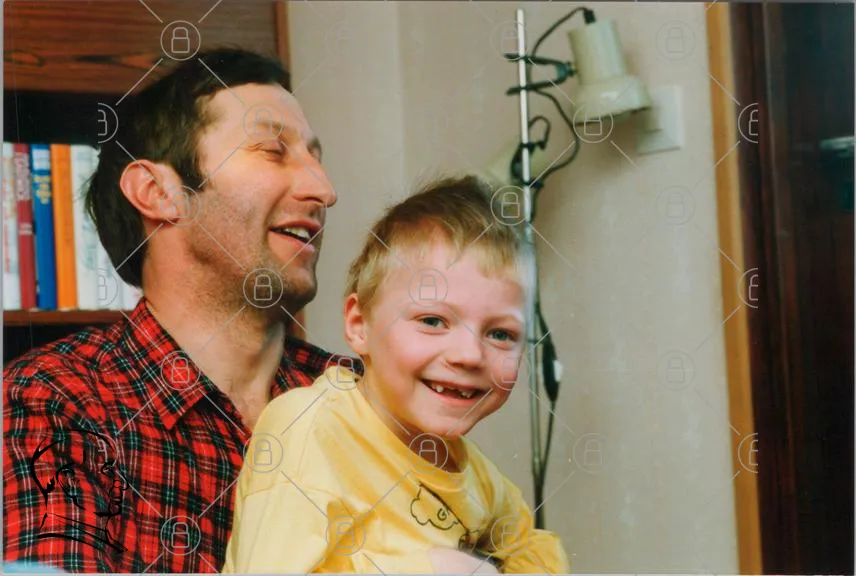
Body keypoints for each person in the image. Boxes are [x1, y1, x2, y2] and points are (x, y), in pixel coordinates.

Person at [223, 176, 571, 573]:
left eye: (500, 334)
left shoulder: (474, 473)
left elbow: (536, 549)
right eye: (433, 321)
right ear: (360, 325)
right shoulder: (310, 429)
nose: (470, 355)